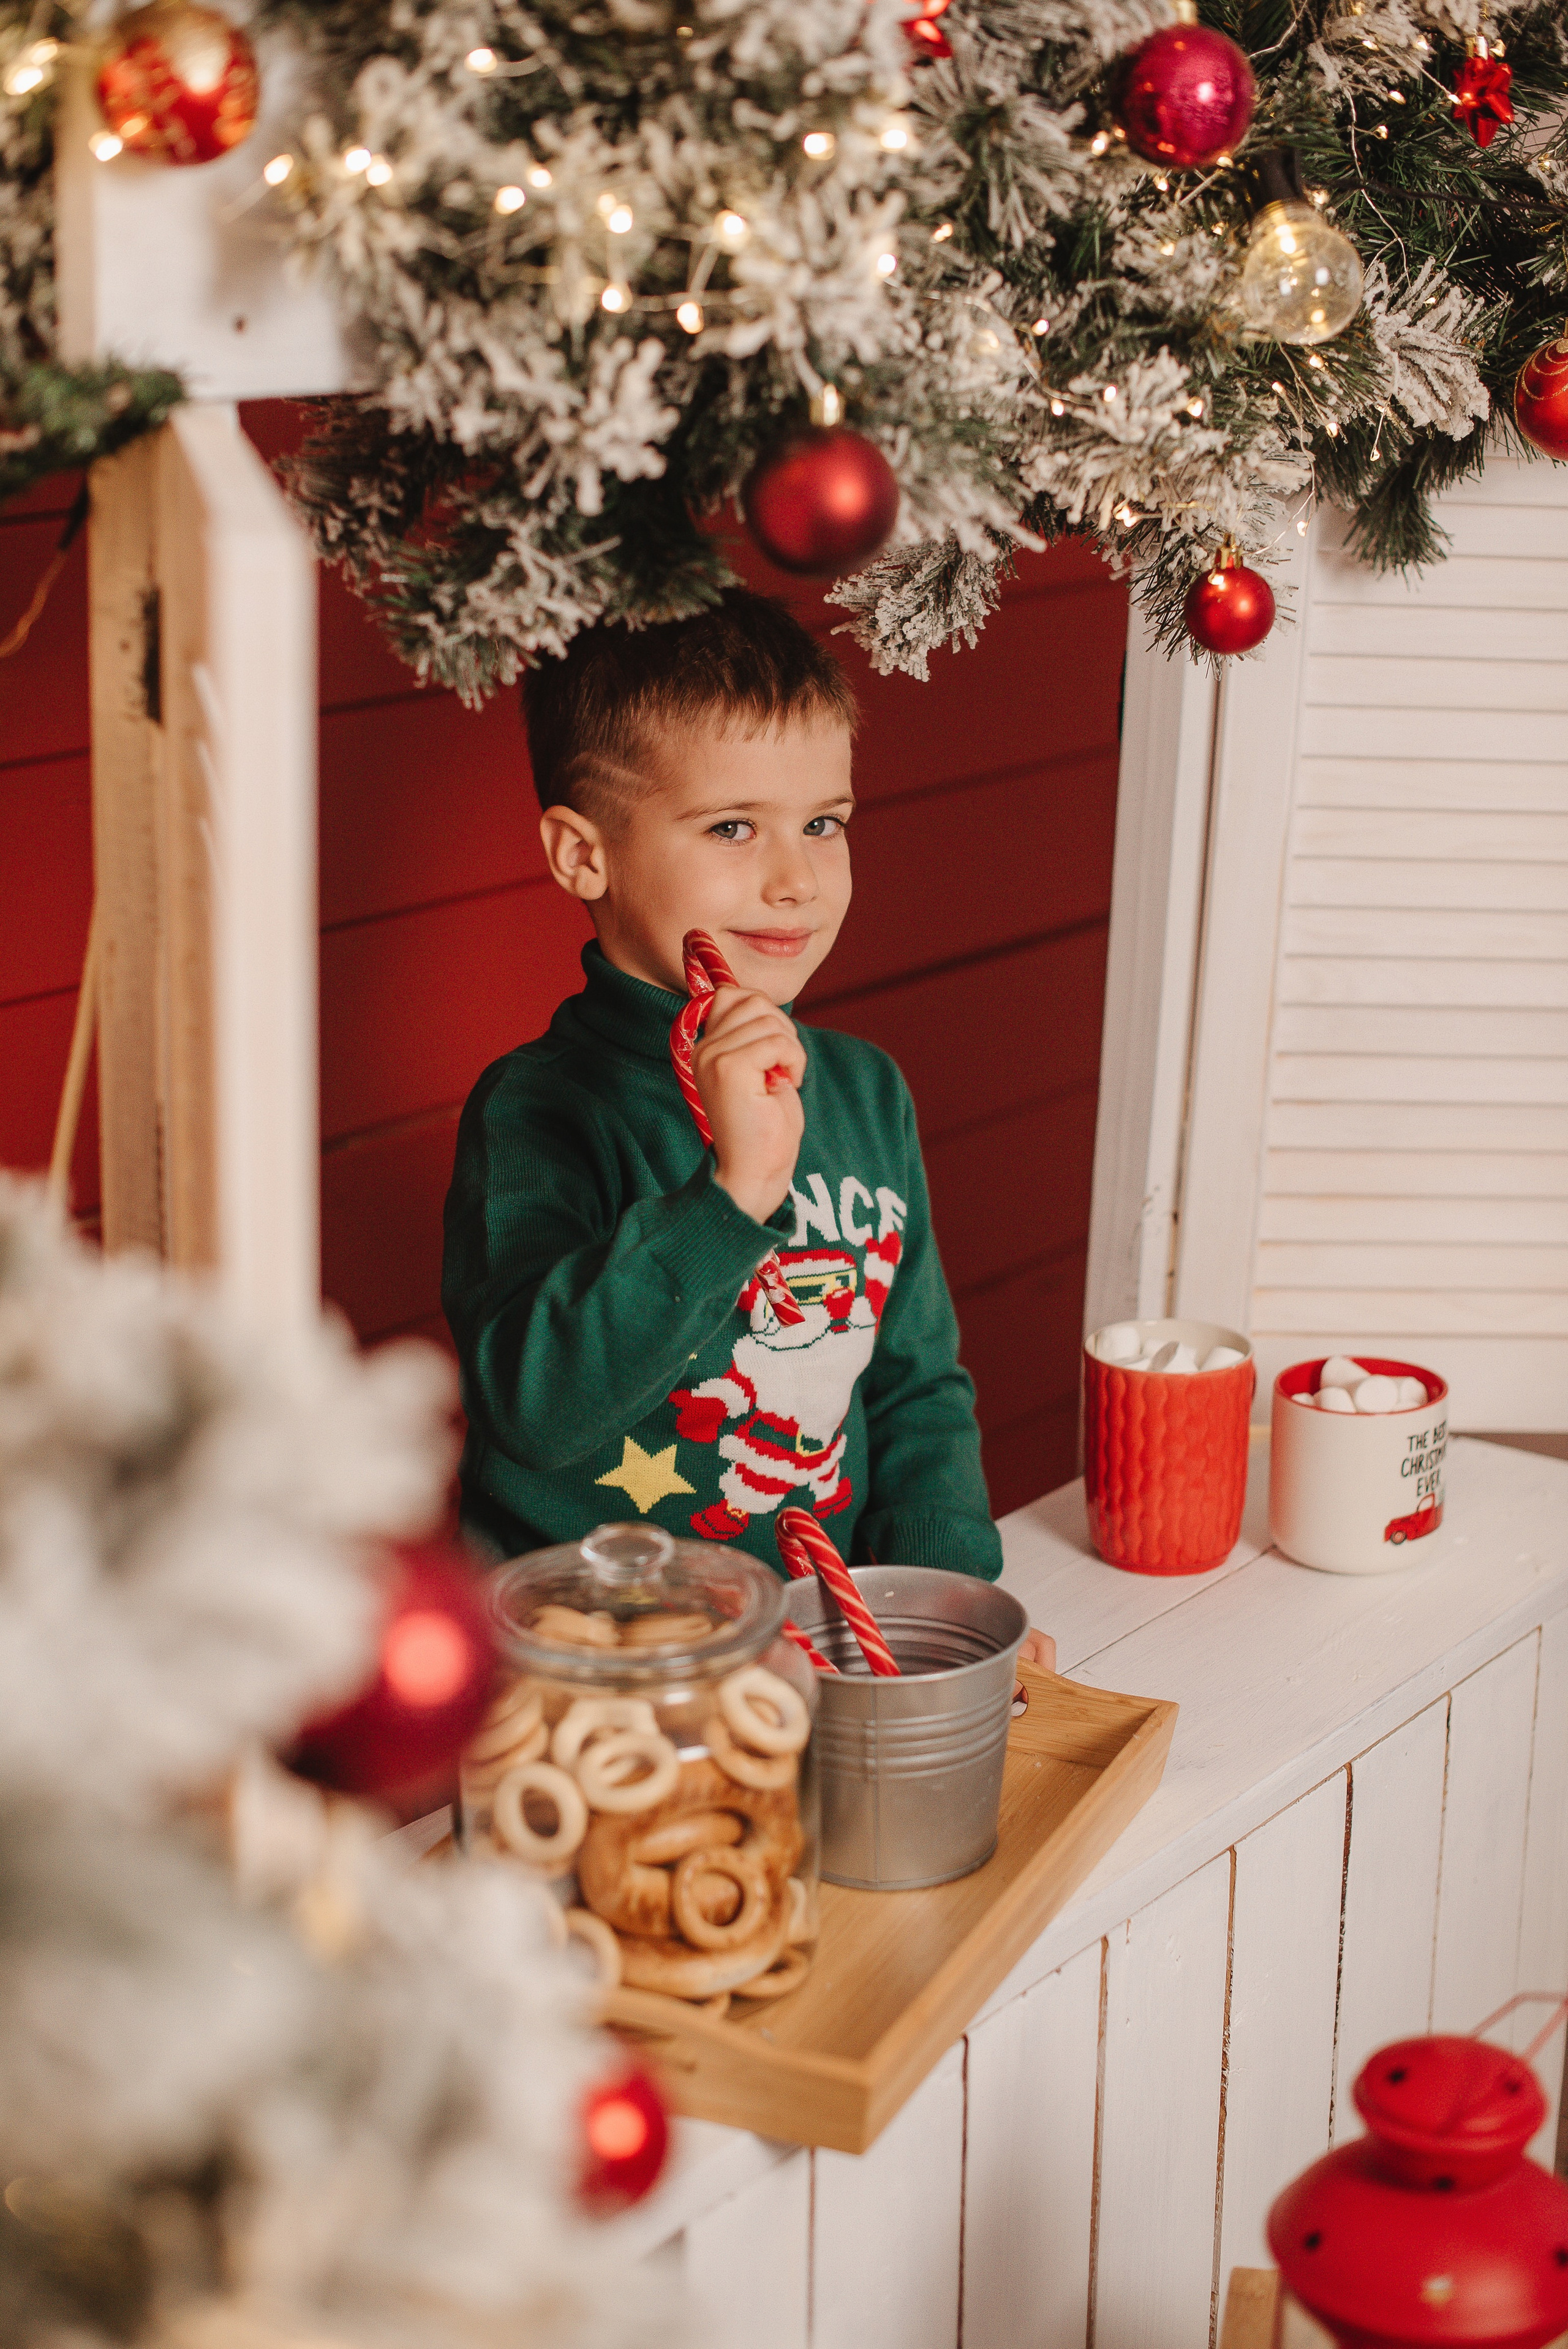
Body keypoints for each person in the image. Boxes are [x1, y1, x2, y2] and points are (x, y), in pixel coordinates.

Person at [442, 589, 1054, 1669]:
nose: (796, 877)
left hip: (826, 1646)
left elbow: (915, 1387)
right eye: (733, 827)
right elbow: (533, 1410)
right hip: (595, 1669)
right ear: (583, 855)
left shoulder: (864, 1092)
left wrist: (940, 1605)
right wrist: (731, 1199)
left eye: (823, 821)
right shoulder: (536, 1109)